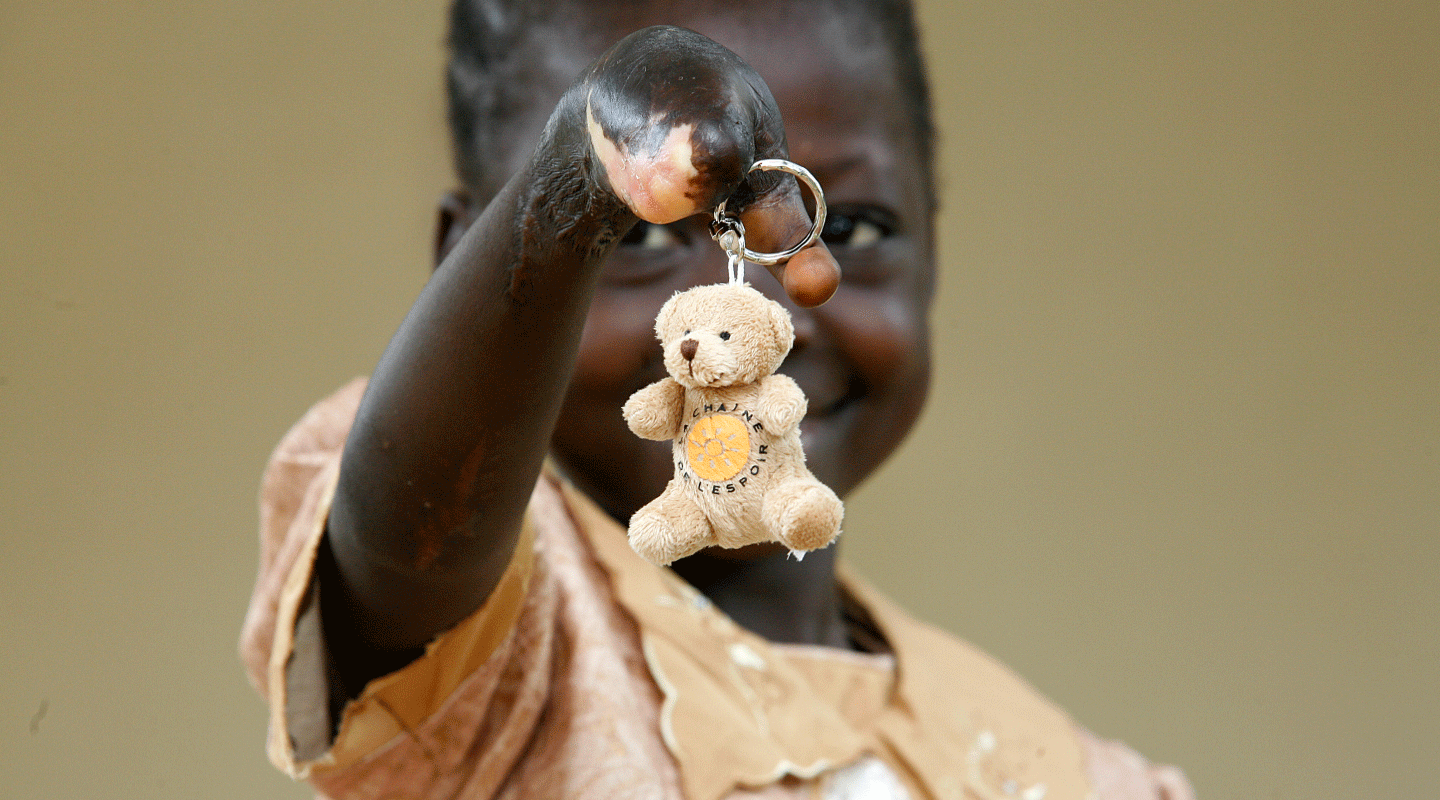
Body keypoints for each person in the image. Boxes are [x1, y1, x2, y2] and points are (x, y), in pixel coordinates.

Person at [241, 2, 1195, 798]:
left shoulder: (1070, 773)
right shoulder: (497, 658)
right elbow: (405, 530)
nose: (758, 298)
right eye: (638, 240)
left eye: (844, 222)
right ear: (472, 260)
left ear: (936, 250)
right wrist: (582, 177)